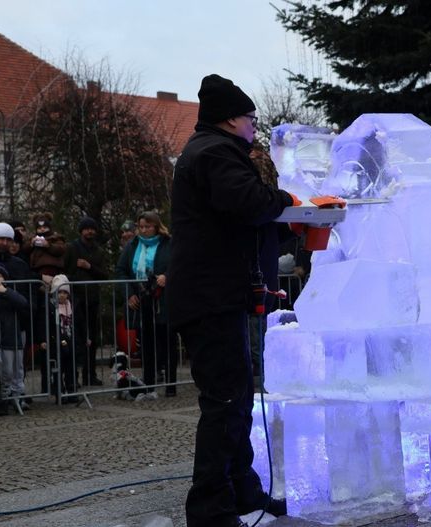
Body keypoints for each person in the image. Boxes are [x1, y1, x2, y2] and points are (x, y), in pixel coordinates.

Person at [168, 74, 295, 527]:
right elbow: (246, 202)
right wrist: (288, 201)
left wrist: (286, 227)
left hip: (215, 294)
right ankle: (210, 509)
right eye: (250, 118)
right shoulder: (217, 153)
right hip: (209, 296)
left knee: (237, 396)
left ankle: (242, 489)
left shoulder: (209, 151)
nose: (254, 126)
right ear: (230, 119)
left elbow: (235, 222)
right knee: (225, 401)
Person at [115, 211, 177, 398]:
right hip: (142, 298)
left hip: (164, 298)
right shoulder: (133, 245)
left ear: (156, 227)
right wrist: (129, 293)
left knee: (167, 340)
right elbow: (121, 270)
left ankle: (171, 383)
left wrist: (168, 276)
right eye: (141, 227)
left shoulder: (168, 243)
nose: (144, 230)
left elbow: (178, 264)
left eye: (148, 227)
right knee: (147, 343)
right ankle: (149, 383)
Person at [63, 216, 108, 387]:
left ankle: (90, 374)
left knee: (92, 338)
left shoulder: (98, 250)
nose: (90, 231)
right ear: (81, 231)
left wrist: (89, 267)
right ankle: (73, 377)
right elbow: (64, 272)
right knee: (75, 337)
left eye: (92, 228)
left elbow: (104, 275)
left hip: (92, 299)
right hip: (75, 299)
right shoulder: (72, 248)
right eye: (86, 228)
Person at [0, 223, 32, 409]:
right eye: (1, 239)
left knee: (16, 364)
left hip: (16, 321)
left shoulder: (19, 265)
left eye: (8, 239)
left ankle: (17, 394)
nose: (4, 243)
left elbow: (26, 296)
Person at [36, 274, 80, 404]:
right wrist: (43, 339)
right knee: (57, 368)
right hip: (54, 340)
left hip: (70, 339)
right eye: (59, 292)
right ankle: (59, 392)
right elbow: (42, 324)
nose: (62, 295)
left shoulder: (72, 305)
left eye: (65, 292)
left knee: (71, 367)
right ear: (54, 292)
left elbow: (80, 322)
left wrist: (84, 337)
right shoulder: (49, 306)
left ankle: (72, 391)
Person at [0, 263, 28, 415]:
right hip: (0, 339)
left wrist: (5, 291)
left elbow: (23, 303)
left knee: (17, 369)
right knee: (5, 370)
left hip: (12, 336)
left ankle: (19, 396)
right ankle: (4, 397)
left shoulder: (10, 292)